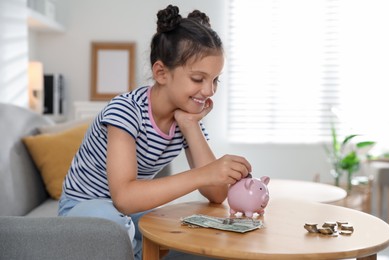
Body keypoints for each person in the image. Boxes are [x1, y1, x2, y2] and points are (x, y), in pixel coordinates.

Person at [58, 4, 251, 260]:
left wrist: (191, 126)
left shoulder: (185, 118)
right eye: (198, 79)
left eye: (215, 80)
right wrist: (204, 173)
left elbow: (216, 193)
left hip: (127, 213)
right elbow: (124, 197)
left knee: (184, 231)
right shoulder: (125, 111)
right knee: (110, 228)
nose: (209, 91)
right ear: (161, 73)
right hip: (85, 208)